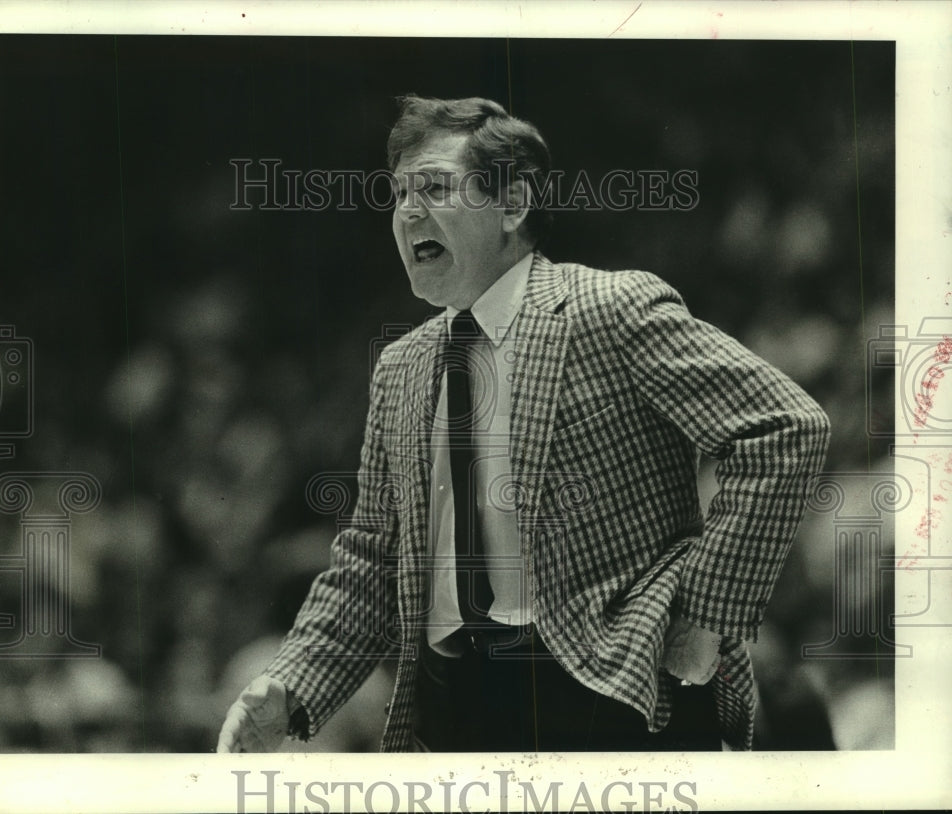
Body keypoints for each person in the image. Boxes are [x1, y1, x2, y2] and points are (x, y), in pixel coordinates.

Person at [217, 95, 830, 753]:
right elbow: (371, 561)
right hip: (453, 711)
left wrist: (709, 613)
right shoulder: (401, 366)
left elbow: (785, 427)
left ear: (512, 204)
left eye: (435, 187)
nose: (409, 213)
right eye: (399, 194)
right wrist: (291, 685)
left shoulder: (609, 309)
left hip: (610, 698)